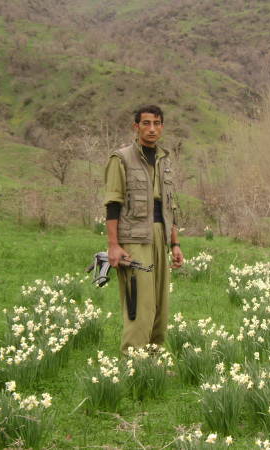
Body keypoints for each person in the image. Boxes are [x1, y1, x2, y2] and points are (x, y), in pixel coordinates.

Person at [104, 105, 183, 352]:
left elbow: (169, 206)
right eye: (146, 123)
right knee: (139, 303)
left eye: (157, 123)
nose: (152, 129)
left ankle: (153, 360)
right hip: (134, 240)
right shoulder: (121, 158)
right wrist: (113, 246)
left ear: (162, 127)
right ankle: (134, 360)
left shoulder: (164, 160)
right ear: (136, 127)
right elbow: (113, 204)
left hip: (160, 236)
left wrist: (175, 244)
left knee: (160, 303)